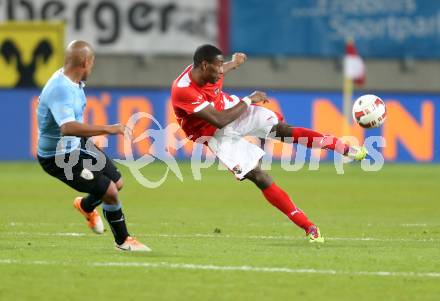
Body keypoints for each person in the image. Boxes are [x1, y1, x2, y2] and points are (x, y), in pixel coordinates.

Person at [171, 44, 368, 243]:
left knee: (283, 130)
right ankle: (309, 226)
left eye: (223, 66)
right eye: (218, 66)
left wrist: (235, 63)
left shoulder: (209, 71)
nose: (221, 71)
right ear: (204, 66)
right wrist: (249, 100)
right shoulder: (183, 91)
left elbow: (221, 72)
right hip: (214, 133)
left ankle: (344, 149)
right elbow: (220, 120)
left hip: (228, 107)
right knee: (259, 176)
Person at [36, 40, 150, 251]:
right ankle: (123, 241)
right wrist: (109, 129)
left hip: (76, 145)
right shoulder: (60, 89)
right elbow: (67, 127)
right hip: (58, 157)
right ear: (86, 62)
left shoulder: (74, 82)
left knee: (117, 182)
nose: (92, 67)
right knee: (110, 192)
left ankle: (85, 206)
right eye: (92, 63)